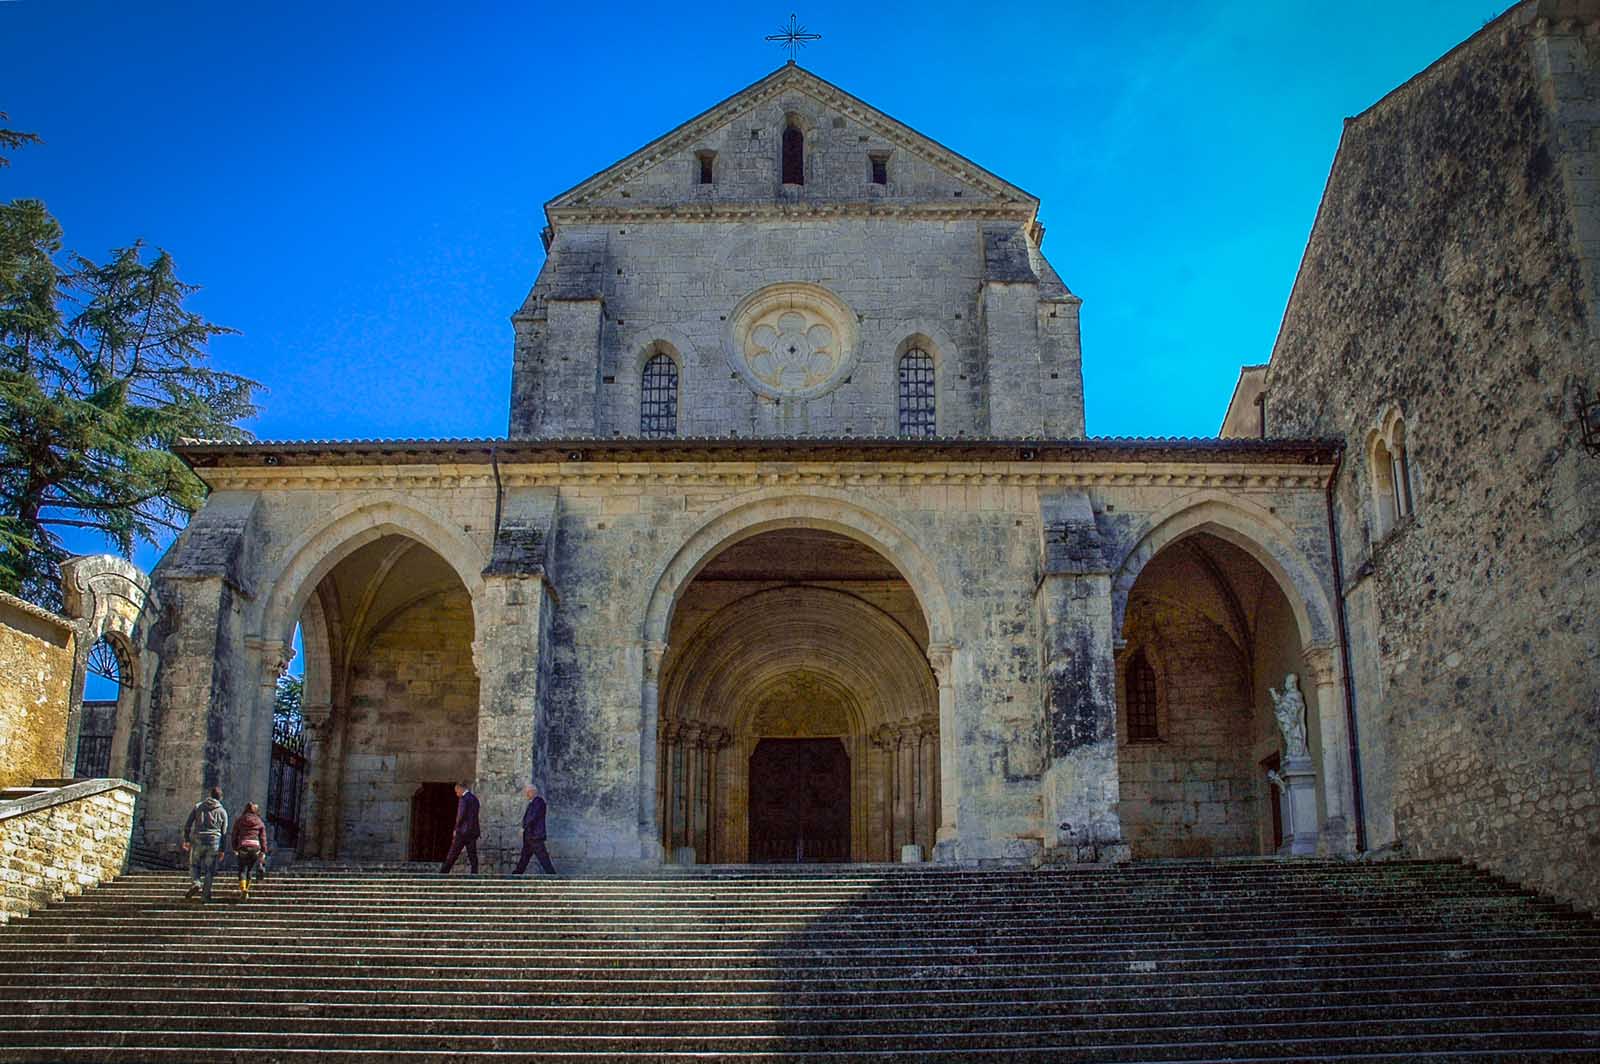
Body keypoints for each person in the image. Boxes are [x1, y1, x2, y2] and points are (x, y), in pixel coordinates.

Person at [182, 785, 229, 902]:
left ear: (210, 795)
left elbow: (188, 825)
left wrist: (187, 839)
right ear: (220, 797)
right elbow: (224, 833)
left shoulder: (198, 807)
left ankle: (196, 882)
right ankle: (205, 895)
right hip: (214, 841)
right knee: (210, 870)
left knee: (194, 865)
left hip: (198, 839)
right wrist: (223, 849)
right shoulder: (222, 811)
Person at [512, 783, 556, 875]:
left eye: (528, 792)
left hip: (535, 836)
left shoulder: (538, 802)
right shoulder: (533, 803)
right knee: (524, 857)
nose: (526, 794)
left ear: (533, 792)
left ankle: (552, 875)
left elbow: (532, 817)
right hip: (530, 836)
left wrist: (523, 827)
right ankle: (517, 874)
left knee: (543, 857)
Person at [439, 781, 480, 874]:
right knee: (473, 855)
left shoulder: (463, 799)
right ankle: (474, 873)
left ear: (460, 789)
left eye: (456, 791)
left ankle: (443, 872)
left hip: (462, 832)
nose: (456, 794)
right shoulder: (475, 799)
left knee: (453, 853)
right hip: (473, 832)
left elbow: (461, 815)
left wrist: (456, 828)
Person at [231, 801, 269, 898]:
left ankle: (243, 889)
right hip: (255, 847)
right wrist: (263, 851)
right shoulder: (259, 821)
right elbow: (263, 837)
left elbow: (234, 835)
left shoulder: (240, 820)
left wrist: (234, 847)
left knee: (242, 870)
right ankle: (246, 890)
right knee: (249, 870)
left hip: (243, 846)